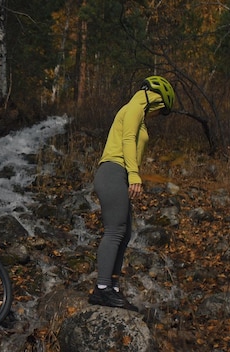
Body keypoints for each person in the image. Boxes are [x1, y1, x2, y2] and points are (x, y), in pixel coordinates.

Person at [88, 76, 175, 311]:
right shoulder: (135, 107)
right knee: (115, 230)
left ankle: (112, 288)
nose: (157, 116)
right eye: (161, 111)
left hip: (119, 174)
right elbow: (127, 139)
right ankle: (102, 289)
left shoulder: (137, 111)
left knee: (124, 233)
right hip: (114, 171)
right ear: (157, 100)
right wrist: (135, 175)